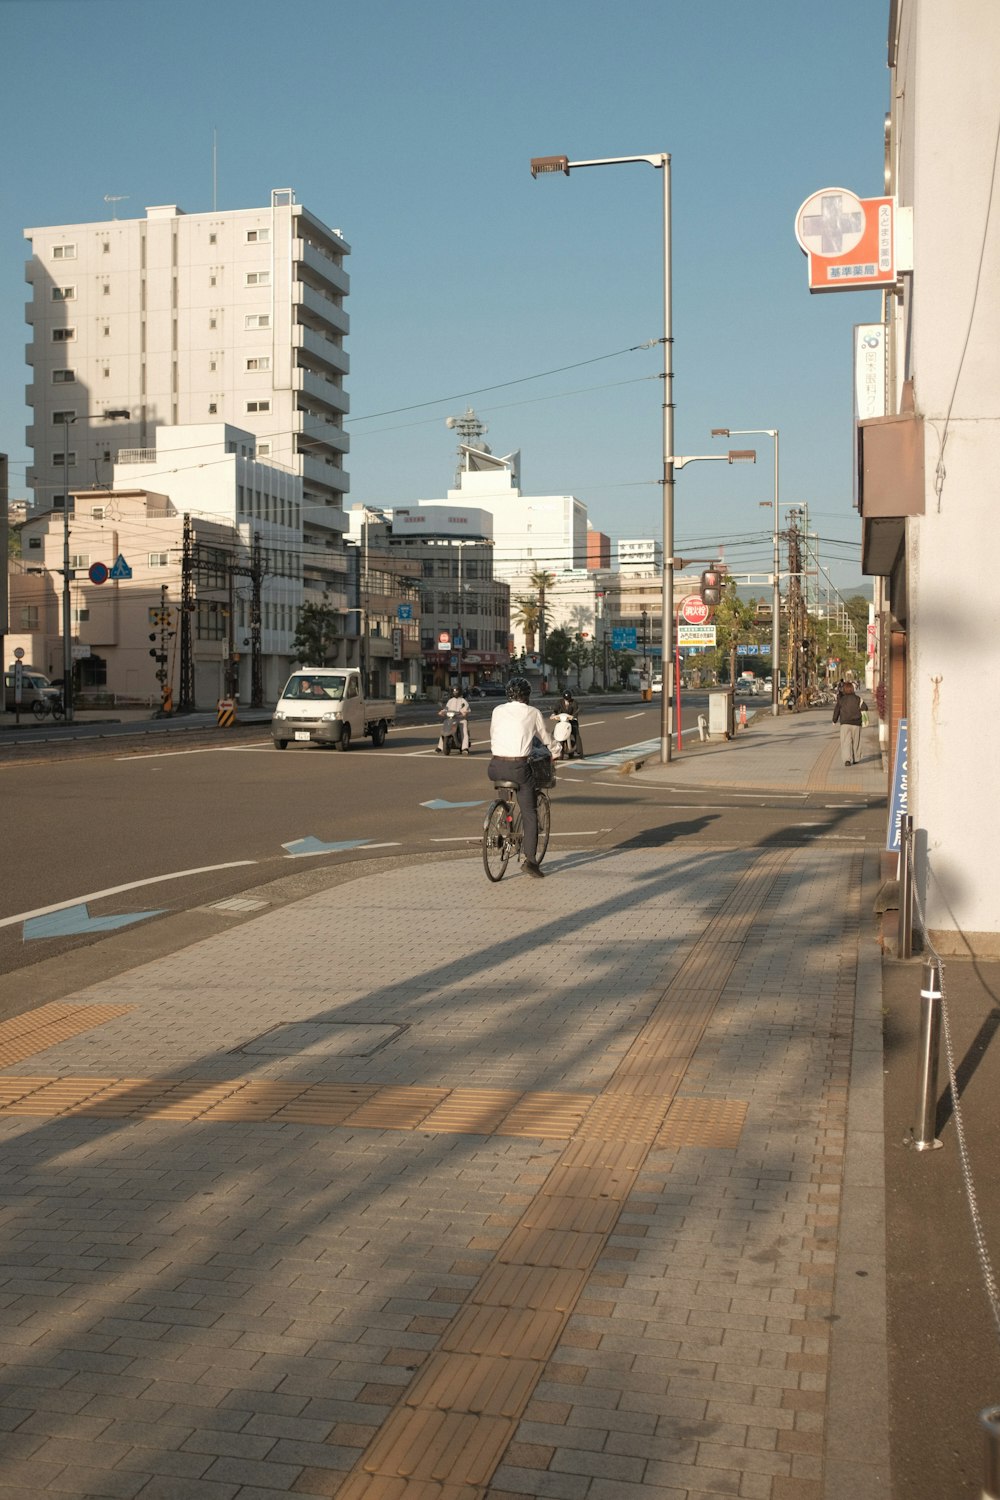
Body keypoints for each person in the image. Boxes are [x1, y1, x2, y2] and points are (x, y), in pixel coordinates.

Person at [488, 677, 555, 878]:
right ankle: (531, 862)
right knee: (529, 812)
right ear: (527, 696)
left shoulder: (497, 710)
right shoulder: (533, 712)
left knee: (506, 792)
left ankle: (503, 816)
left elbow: (494, 733)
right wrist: (556, 749)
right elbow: (544, 737)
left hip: (495, 766)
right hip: (518, 767)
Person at [833, 678, 867, 765]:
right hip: (856, 723)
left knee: (845, 742)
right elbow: (865, 707)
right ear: (853, 689)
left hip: (845, 723)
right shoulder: (858, 699)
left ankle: (847, 760)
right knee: (856, 741)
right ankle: (856, 758)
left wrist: (834, 720)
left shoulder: (841, 700)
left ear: (844, 689)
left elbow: (836, 710)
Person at [437, 688, 471, 753]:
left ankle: (465, 748)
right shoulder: (450, 701)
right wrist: (442, 712)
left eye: (457, 691)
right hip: (451, 719)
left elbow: (466, 709)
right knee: (444, 730)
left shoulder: (463, 701)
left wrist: (464, 712)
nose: (455, 692)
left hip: (460, 719)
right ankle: (440, 747)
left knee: (464, 731)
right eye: (454, 691)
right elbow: (446, 708)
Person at [552, 688, 584, 758]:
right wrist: (553, 715)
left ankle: (579, 751)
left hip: (572, 722)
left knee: (576, 734)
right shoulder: (559, 702)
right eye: (566, 699)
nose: (567, 701)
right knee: (553, 733)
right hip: (562, 722)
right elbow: (555, 710)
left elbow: (576, 711)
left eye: (568, 699)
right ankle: (553, 750)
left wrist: (573, 716)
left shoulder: (574, 702)